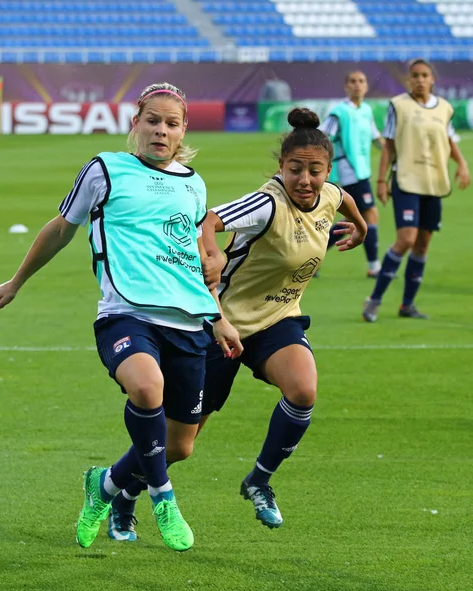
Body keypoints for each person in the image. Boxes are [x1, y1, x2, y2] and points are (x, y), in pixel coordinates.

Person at [0, 82, 242, 552]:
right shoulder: (106, 169)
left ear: (183, 130)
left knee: (180, 445)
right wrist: (15, 281)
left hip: (188, 320)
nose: (161, 130)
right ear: (135, 123)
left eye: (171, 123)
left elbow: (193, 258)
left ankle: (105, 486)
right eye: (153, 120)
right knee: (147, 388)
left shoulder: (193, 182)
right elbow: (63, 227)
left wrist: (217, 315)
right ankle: (163, 497)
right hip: (126, 313)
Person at [108, 108, 367, 538]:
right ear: (281, 167)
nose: (305, 180)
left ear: (328, 170)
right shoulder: (267, 202)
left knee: (303, 390)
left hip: (278, 320)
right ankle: (123, 495)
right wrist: (212, 253)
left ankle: (259, 481)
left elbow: (345, 200)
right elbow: (208, 218)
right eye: (295, 169)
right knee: (179, 445)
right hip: (222, 326)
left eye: (315, 171)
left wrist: (360, 228)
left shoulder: (329, 195)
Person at [363, 59, 471, 322]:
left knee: (422, 245)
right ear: (409, 80)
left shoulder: (444, 108)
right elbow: (388, 145)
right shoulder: (398, 106)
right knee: (406, 240)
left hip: (434, 183)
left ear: (432, 79)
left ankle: (407, 305)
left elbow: (448, 139)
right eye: (415, 76)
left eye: (424, 75)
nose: (420, 80)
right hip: (406, 181)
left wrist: (463, 164)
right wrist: (381, 180)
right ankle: (374, 300)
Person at [320, 70, 384, 277]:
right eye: (353, 81)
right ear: (346, 86)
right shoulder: (340, 111)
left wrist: (394, 149)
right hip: (347, 172)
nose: (357, 85)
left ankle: (312, 258)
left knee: (353, 219)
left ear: (366, 86)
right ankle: (374, 266)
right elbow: (322, 137)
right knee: (369, 215)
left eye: (361, 81)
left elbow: (376, 139)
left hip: (361, 171)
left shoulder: (366, 110)